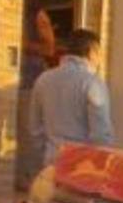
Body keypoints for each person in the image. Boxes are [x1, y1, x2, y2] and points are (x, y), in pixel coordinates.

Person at [27, 28, 114, 167]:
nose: (99, 61)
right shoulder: (92, 83)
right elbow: (101, 135)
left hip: (51, 163)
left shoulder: (43, 79)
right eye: (99, 54)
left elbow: (35, 128)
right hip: (82, 168)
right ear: (92, 52)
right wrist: (100, 165)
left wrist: (47, 152)